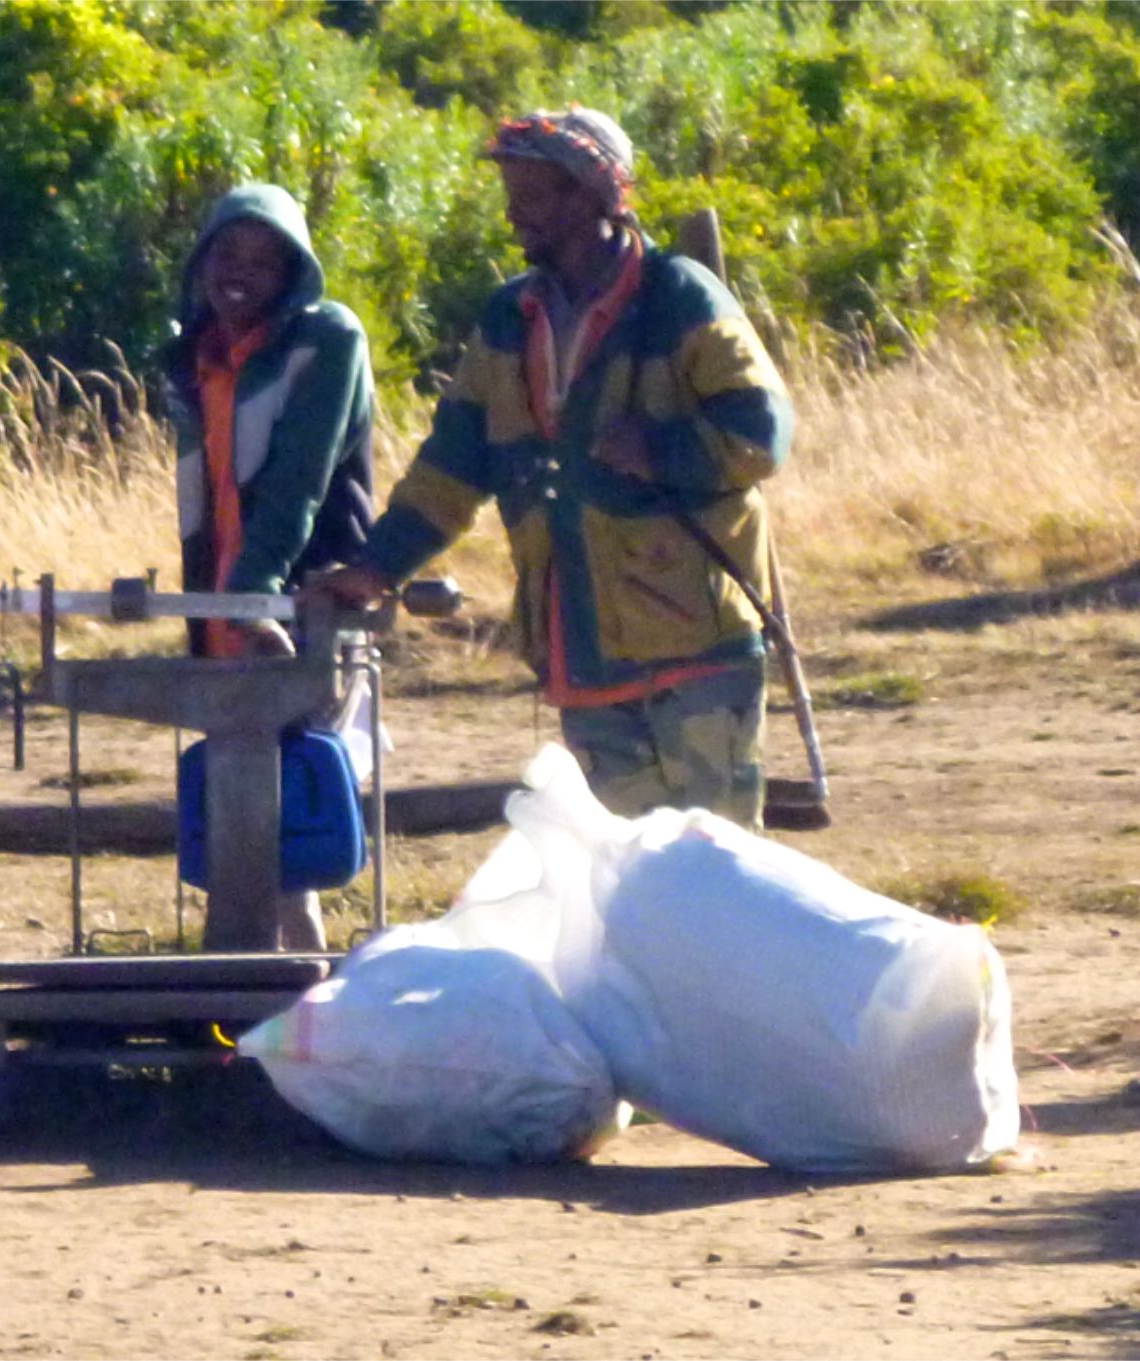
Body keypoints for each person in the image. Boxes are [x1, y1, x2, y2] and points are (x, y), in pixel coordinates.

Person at [314, 107, 793, 829]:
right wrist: (380, 565)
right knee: (623, 879)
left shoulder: (681, 296)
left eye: (530, 195)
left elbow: (762, 430)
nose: (513, 216)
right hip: (581, 647)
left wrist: (659, 450)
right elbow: (451, 467)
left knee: (721, 865)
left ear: (590, 194)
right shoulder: (510, 318)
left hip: (696, 643)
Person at [164, 183, 376, 947]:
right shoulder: (194, 358)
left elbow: (298, 485)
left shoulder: (327, 341)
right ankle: (260, 1016)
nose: (241, 273)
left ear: (294, 274)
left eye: (264, 260)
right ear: (202, 262)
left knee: (294, 824)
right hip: (225, 612)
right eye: (228, 253)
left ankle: (298, 1013)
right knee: (242, 824)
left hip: (305, 608)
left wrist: (258, 598)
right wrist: (222, 604)